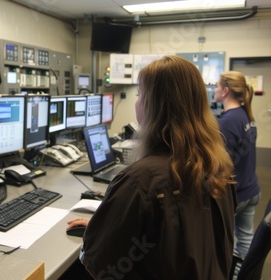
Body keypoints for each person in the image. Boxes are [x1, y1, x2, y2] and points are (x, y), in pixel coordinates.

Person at [68, 55, 236, 279]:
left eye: (140, 95)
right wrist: (112, 223)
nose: (137, 102)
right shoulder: (218, 166)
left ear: (152, 105)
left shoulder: (140, 180)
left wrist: (100, 229)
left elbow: (98, 260)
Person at [215, 71, 261, 260]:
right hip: (251, 189)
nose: (215, 90)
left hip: (236, 195)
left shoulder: (226, 122)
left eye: (217, 86)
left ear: (225, 90)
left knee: (223, 242)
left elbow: (220, 165)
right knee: (245, 239)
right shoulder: (244, 114)